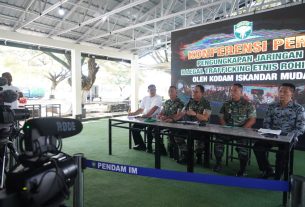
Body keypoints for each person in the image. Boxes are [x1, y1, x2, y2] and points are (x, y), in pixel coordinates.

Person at [253, 83, 305, 180]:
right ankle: (267, 170)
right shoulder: (272, 106)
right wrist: (268, 133)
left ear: (292, 94)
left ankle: (277, 176)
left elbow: (300, 128)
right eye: (280, 91)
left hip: (289, 138)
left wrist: (289, 136)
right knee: (258, 147)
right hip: (273, 136)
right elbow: (267, 122)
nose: (282, 94)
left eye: (285, 92)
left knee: (282, 153)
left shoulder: (298, 108)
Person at [213, 83, 256, 176]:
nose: (232, 92)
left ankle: (242, 169)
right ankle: (218, 163)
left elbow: (252, 119)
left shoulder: (248, 104)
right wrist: (225, 127)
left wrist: (242, 130)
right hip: (228, 131)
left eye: (235, 90)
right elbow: (221, 117)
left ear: (241, 92)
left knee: (243, 148)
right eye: (231, 90)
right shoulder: (226, 104)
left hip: (242, 131)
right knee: (218, 142)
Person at [174, 85, 211, 165]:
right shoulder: (190, 102)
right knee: (177, 135)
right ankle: (187, 155)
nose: (193, 93)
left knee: (200, 141)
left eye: (196, 92)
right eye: (193, 91)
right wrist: (173, 119)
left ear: (202, 93)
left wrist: (195, 114)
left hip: (201, 129)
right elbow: (182, 113)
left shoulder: (206, 103)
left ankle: (199, 156)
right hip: (189, 127)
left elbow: (205, 118)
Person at [128, 84, 162, 152]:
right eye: (151, 90)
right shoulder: (145, 98)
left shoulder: (158, 97)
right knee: (134, 128)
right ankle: (141, 145)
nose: (153, 91)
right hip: (145, 119)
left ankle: (151, 147)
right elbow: (141, 109)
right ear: (148, 90)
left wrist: (146, 115)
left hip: (154, 119)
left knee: (150, 130)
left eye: (154, 89)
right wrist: (133, 113)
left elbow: (154, 109)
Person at [157, 86, 184, 157]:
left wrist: (166, 117)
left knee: (172, 134)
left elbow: (178, 115)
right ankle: (162, 150)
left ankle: (175, 154)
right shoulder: (167, 102)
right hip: (165, 123)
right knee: (155, 131)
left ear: (176, 92)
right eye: (169, 91)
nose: (170, 93)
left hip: (176, 123)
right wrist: (160, 115)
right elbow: (162, 111)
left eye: (172, 91)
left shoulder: (180, 103)